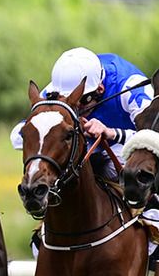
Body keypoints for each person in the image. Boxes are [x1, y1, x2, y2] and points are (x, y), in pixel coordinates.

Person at [10, 47, 155, 179]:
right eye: (70, 102)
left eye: (82, 100)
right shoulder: (54, 92)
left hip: (131, 149)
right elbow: (17, 137)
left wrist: (111, 132)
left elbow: (154, 138)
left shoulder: (131, 87)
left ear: (100, 89)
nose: (76, 109)